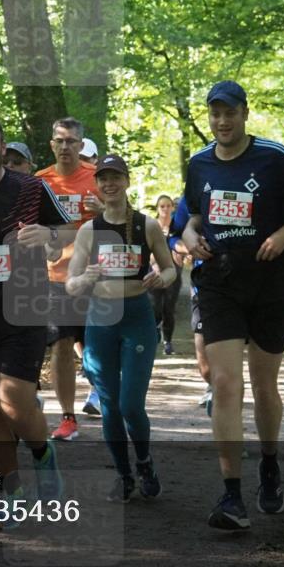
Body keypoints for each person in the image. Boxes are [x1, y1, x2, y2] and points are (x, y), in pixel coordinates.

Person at [181, 80, 284, 531]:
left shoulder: (275, 157)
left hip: (270, 281)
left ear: (245, 114)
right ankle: (232, 495)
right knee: (225, 383)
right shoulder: (199, 163)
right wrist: (188, 236)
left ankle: (269, 463)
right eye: (215, 113)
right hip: (220, 281)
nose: (222, 121)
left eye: (230, 112)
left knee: (264, 385)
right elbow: (192, 216)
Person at [0, 116, 74, 526]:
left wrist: (48, 236)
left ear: (2, 147)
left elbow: (68, 231)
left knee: (13, 400)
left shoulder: (29, 188)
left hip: (24, 305)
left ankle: (42, 453)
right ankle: (12, 491)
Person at [65, 155, 176, 502]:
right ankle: (124, 474)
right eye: (103, 178)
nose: (109, 184)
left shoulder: (146, 225)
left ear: (127, 181)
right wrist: (85, 278)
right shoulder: (89, 230)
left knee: (130, 404)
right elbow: (71, 284)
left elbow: (170, 269)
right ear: (97, 184)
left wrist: (160, 278)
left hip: (136, 316)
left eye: (115, 177)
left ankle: (144, 461)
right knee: (110, 405)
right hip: (100, 318)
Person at [35, 118, 102, 440]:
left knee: (97, 347)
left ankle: (109, 402)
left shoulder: (97, 178)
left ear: (81, 144)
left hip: (95, 278)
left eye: (71, 141)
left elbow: (125, 221)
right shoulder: (40, 182)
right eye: (59, 141)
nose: (65, 147)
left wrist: (102, 211)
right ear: (52, 144)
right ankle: (67, 417)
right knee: (61, 346)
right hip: (56, 278)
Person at [168, 197, 213, 414]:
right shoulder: (194, 195)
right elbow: (174, 237)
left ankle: (225, 387)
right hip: (203, 282)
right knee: (203, 349)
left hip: (243, 282)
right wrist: (185, 247)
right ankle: (213, 382)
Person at [149, 195, 185, 355]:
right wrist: (153, 264)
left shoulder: (177, 227)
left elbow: (183, 246)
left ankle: (168, 342)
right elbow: (146, 248)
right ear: (157, 208)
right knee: (155, 308)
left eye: (168, 206)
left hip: (174, 272)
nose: (165, 209)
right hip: (154, 272)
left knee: (169, 309)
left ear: (173, 207)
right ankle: (154, 334)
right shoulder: (151, 225)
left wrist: (184, 256)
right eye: (162, 206)